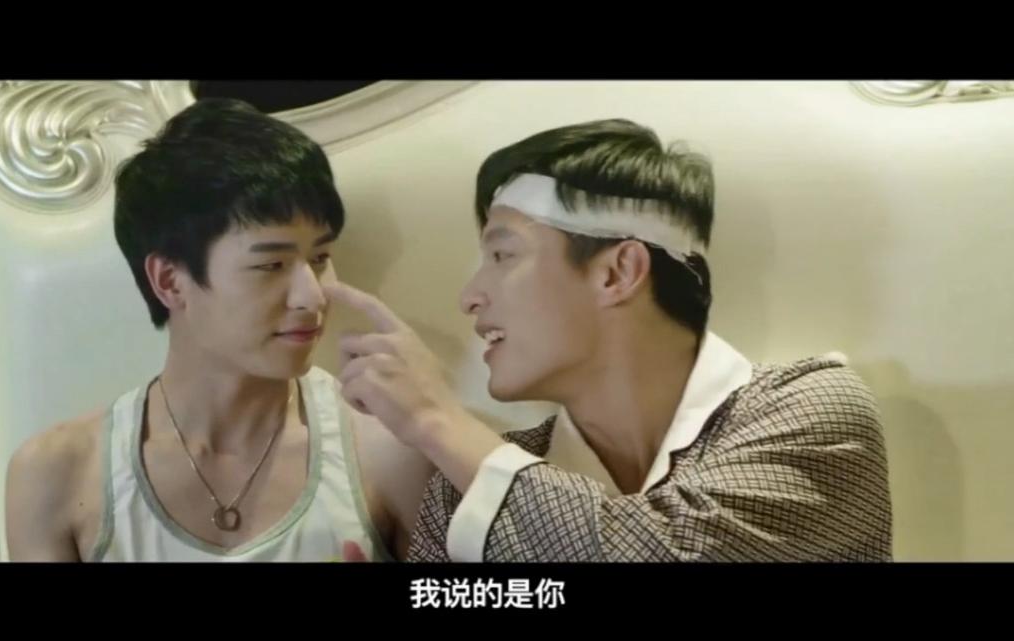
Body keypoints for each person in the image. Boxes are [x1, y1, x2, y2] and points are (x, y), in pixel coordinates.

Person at [329, 118, 893, 562]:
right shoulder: (467, 482)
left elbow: (662, 550)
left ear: (618, 272)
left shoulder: (811, 410)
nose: (471, 296)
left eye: (502, 254)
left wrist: (437, 420)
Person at [5, 98, 432, 562]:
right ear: (170, 281)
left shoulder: (389, 450)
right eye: (271, 264)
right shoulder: (58, 474)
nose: (313, 296)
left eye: (320, 258)